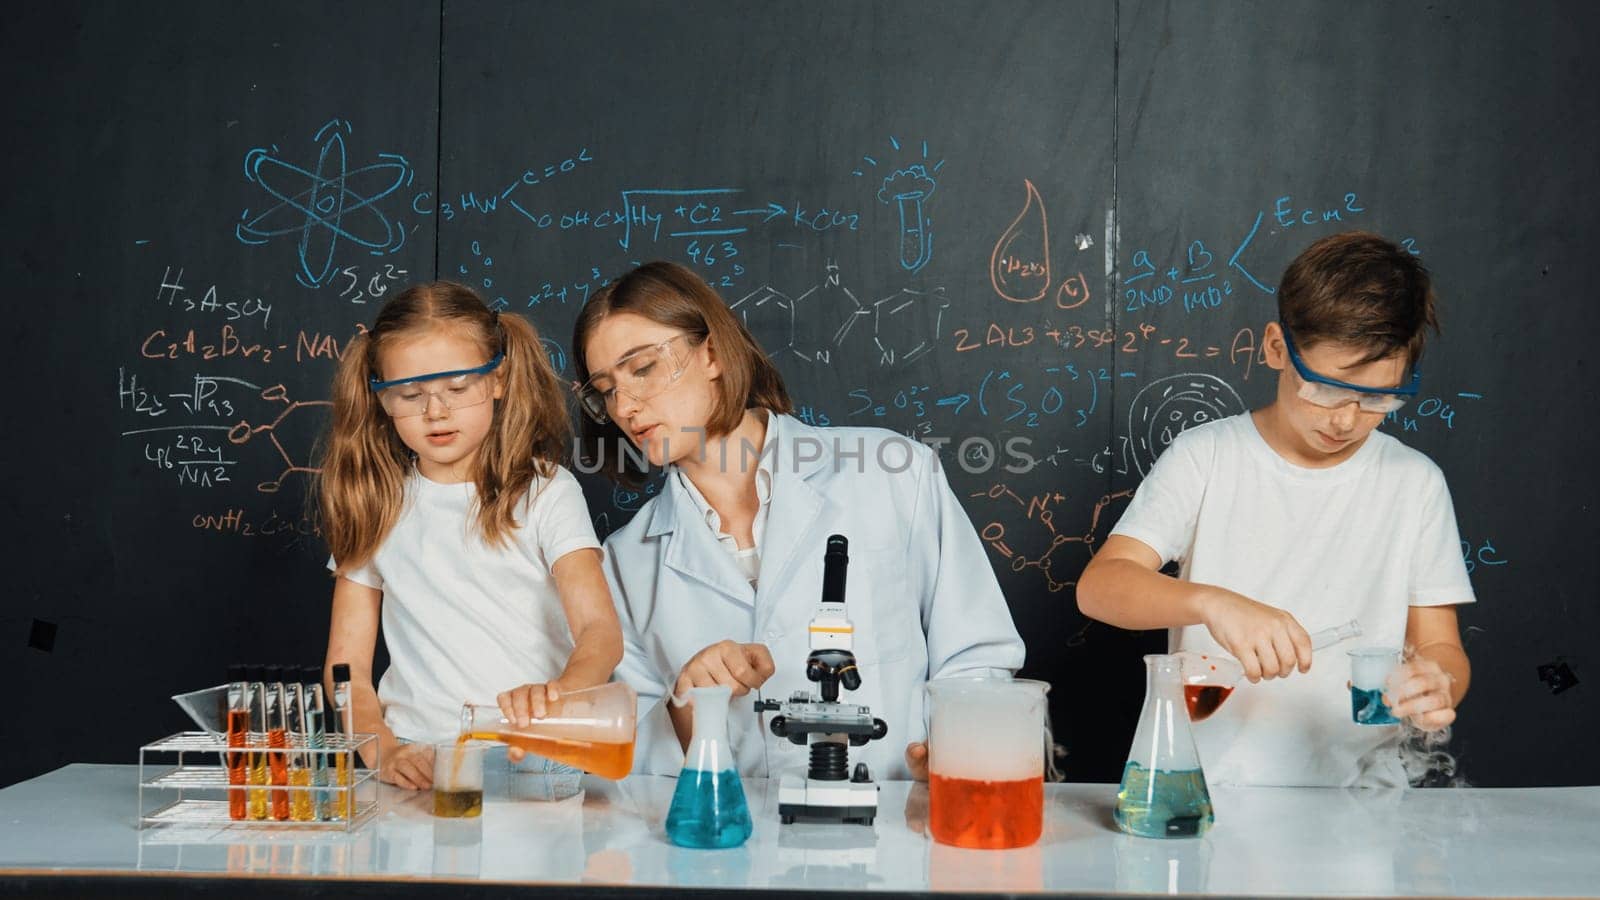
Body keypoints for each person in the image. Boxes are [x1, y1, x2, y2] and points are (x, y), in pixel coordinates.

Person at [573, 261, 1024, 781]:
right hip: (727, 850)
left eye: (643, 368)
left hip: (899, 828)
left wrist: (955, 752)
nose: (625, 406)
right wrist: (685, 708)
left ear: (713, 353)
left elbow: (977, 654)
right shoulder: (627, 560)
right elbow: (633, 762)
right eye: (606, 389)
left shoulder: (893, 473)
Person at [1078, 231, 1474, 787]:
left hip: (1363, 799)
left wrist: (1438, 683)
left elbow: (1440, 647)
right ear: (1275, 348)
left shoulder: (1415, 484)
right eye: (1327, 390)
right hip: (1208, 791)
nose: (1345, 420)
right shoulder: (1208, 456)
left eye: (1378, 399)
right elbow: (1100, 587)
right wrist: (1213, 603)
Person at [319, 281, 622, 790]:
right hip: (418, 769)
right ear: (381, 399)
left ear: (498, 379)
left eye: (458, 388)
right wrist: (383, 750)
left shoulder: (546, 492)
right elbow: (345, 667)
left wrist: (557, 699)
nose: (435, 411)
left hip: (533, 762)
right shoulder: (376, 502)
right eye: (409, 395)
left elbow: (600, 634)